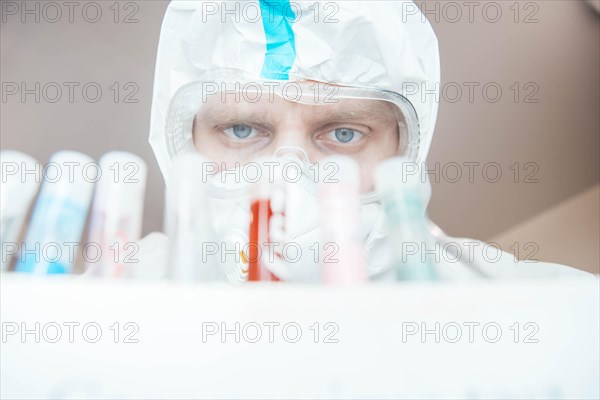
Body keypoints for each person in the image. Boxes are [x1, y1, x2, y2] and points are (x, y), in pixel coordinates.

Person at [136, 0, 591, 281]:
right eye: (241, 129)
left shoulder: (527, 311)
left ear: (404, 150)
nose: (287, 182)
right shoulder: (105, 301)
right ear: (182, 142)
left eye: (344, 133)